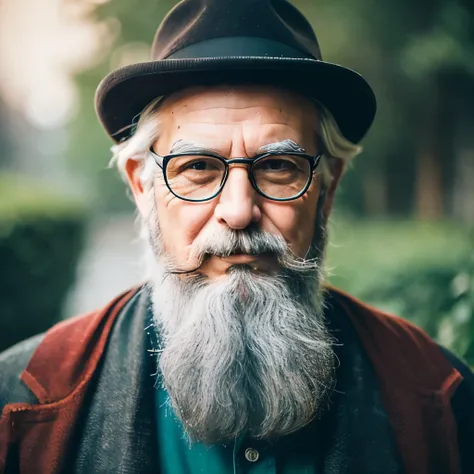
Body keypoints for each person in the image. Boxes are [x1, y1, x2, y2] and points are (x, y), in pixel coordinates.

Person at [1, 0, 473, 472]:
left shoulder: (441, 401)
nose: (239, 211)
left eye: (278, 167)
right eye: (199, 168)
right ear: (142, 186)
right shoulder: (21, 409)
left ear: (327, 188)